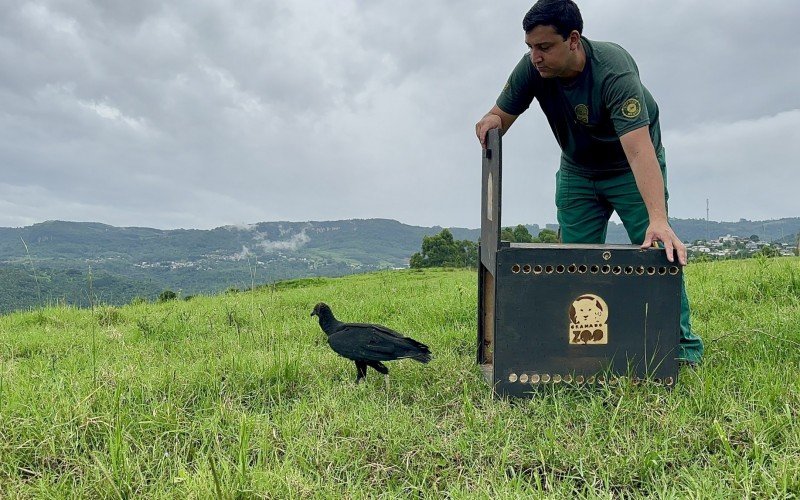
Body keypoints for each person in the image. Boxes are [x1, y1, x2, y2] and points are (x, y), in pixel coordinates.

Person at [475, 0, 703, 366]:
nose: (536, 56)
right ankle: (574, 349)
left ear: (574, 40)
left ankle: (683, 351)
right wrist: (489, 122)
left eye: (545, 47)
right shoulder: (533, 68)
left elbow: (640, 152)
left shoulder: (613, 71)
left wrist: (658, 220)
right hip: (578, 170)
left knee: (659, 253)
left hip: (629, 168)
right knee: (572, 261)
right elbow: (500, 115)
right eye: (530, 47)